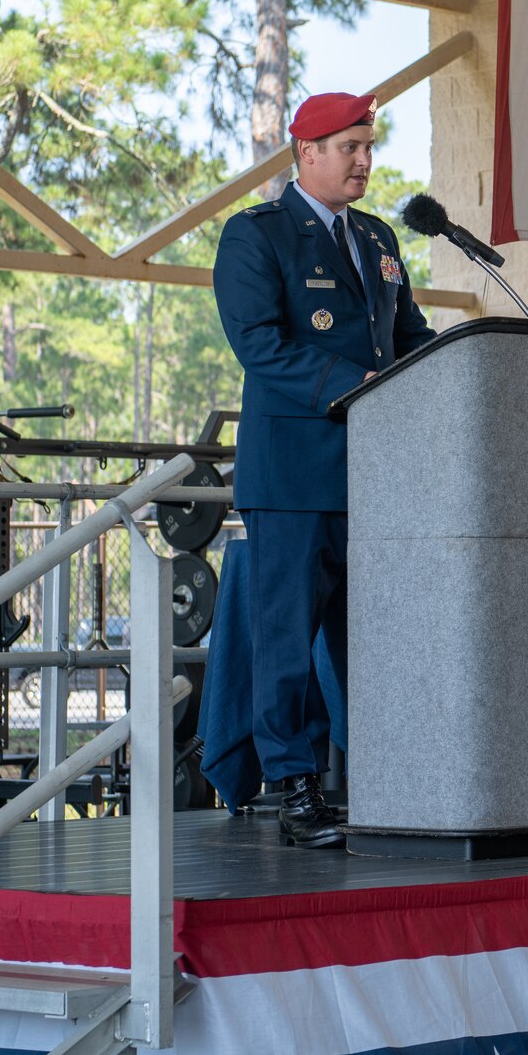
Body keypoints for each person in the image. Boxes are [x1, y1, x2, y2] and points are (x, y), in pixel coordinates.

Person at [213, 91, 437, 847]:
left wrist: (455, 370)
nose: (365, 160)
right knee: (286, 639)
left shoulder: (376, 237)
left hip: (373, 478)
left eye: (369, 145)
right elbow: (260, 345)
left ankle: (376, 775)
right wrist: (355, 387)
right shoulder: (258, 236)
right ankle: (295, 784)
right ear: (306, 152)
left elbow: (408, 337)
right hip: (293, 475)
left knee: (369, 639)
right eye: (350, 147)